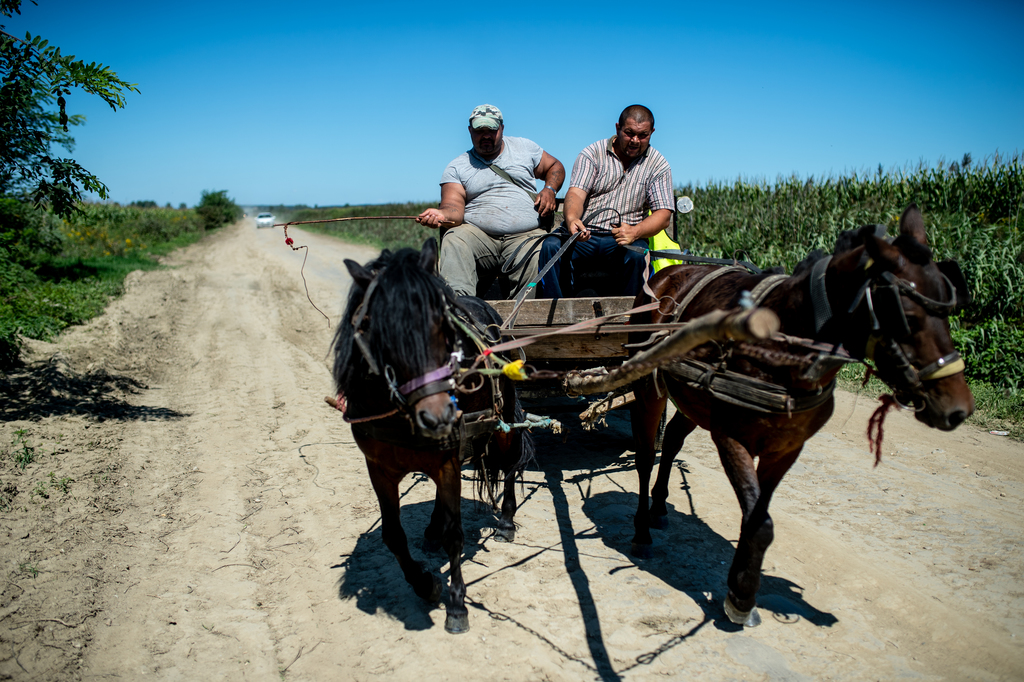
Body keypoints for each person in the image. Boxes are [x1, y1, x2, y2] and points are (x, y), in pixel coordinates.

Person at [416, 104, 564, 299]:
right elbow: (453, 209)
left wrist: (550, 189)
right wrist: (441, 215)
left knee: (539, 251)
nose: (485, 136)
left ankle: (524, 311)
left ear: (501, 128)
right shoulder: (457, 167)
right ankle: (460, 306)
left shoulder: (524, 148)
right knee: (454, 239)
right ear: (470, 131)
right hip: (480, 238)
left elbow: (555, 166)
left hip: (526, 236)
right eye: (479, 130)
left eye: (491, 130)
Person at [537, 105, 674, 299]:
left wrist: (635, 232)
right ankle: (555, 309)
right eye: (629, 133)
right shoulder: (592, 154)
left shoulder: (658, 165)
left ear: (651, 132)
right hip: (585, 236)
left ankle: (631, 312)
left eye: (643, 135)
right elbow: (576, 193)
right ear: (618, 128)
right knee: (550, 246)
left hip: (623, 240)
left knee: (639, 254)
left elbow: (663, 215)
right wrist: (572, 219)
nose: (635, 140)